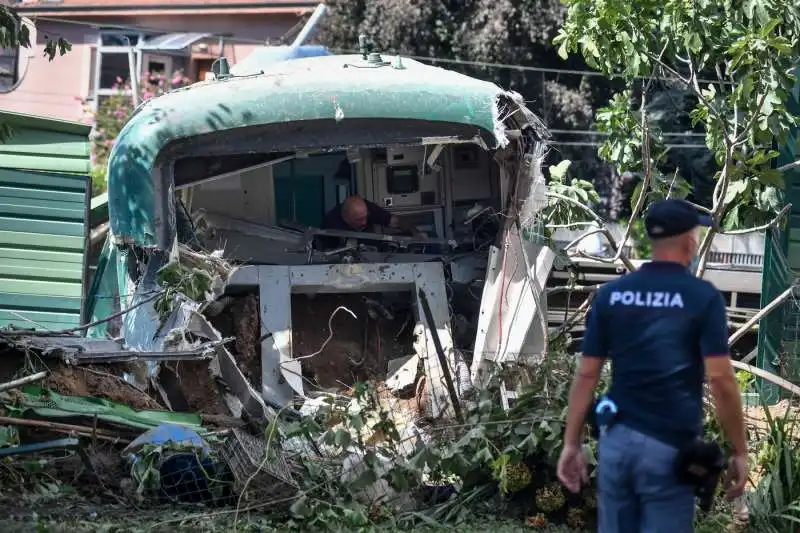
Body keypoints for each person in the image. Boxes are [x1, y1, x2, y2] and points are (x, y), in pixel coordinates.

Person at [556, 199, 748, 533]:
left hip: (616, 442)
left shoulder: (611, 296)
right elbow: (720, 379)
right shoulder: (702, 297)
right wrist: (739, 450)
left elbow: (587, 374)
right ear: (690, 241)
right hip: (669, 447)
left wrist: (571, 444)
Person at [317, 195, 426, 249]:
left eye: (366, 217)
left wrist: (415, 233)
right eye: (359, 219)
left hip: (373, 247)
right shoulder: (330, 224)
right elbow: (323, 250)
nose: (364, 222)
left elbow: (395, 221)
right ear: (346, 217)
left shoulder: (368, 207)